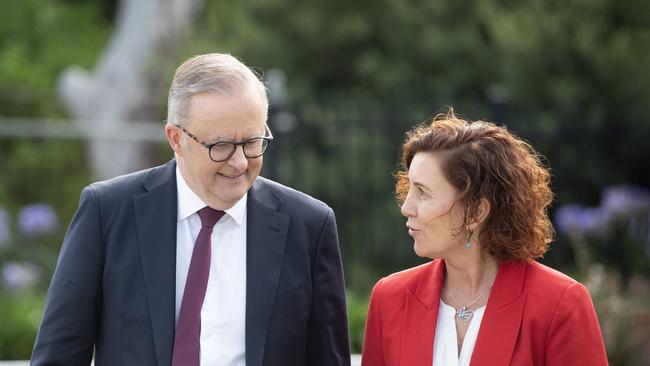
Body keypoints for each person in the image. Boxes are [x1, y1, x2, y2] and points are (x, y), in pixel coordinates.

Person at [32, 53, 350, 366]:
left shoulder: (309, 226)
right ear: (176, 139)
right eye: (221, 146)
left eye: (253, 142)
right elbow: (58, 356)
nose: (239, 162)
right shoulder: (107, 213)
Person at [361, 110, 608, 366]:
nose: (406, 207)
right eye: (408, 189)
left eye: (422, 193)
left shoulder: (560, 304)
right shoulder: (389, 299)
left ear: (476, 211)